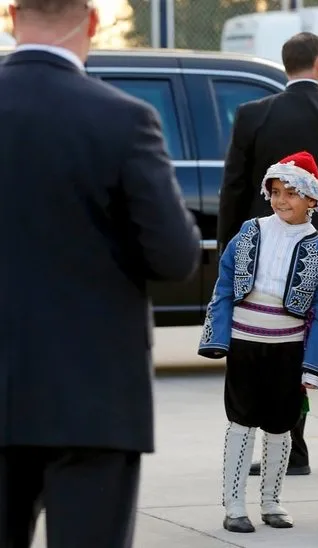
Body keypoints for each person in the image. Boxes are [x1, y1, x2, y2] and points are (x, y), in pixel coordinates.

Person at [0, 1, 201, 546]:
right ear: (90, 21)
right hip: (92, 395)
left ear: (14, 16)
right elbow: (175, 257)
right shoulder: (124, 118)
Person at [218, 31, 318, 477]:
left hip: (272, 250)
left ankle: (293, 449)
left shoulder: (254, 115)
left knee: (286, 345)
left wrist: (233, 256)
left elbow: (233, 189)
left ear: (287, 65)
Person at [199, 151, 318, 533]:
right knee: (241, 420)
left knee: (281, 424)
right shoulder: (249, 232)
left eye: (290, 193)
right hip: (245, 341)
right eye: (275, 191)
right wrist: (218, 337)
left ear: (312, 199)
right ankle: (234, 505)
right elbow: (224, 287)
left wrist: (311, 365)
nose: (280, 200)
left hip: (288, 347)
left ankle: (272, 501)